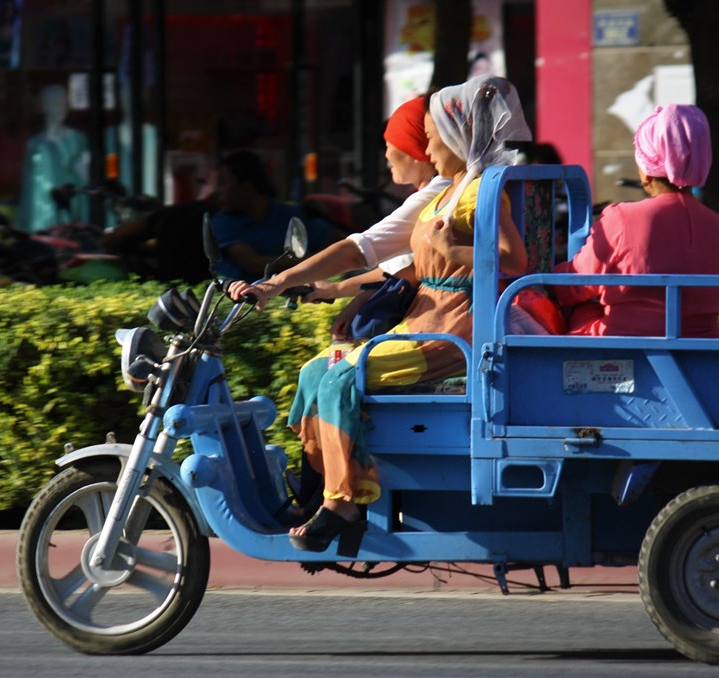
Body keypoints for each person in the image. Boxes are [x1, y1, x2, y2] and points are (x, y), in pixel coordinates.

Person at [231, 75, 532, 553]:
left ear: (458, 136)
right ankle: (317, 494)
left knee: (340, 380)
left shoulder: (482, 191)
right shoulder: (447, 193)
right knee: (318, 371)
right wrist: (336, 289)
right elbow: (413, 266)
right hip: (428, 319)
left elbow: (513, 262)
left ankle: (343, 502)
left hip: (453, 330)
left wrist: (451, 246)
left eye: (433, 137)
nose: (428, 148)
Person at [553, 104, 719, 337]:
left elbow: (573, 285)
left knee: (581, 310)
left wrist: (540, 279)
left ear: (646, 168)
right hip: (704, 345)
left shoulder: (620, 218)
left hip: (624, 348)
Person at [298, 93, 448, 340]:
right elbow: (395, 269)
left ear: (415, 149)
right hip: (429, 321)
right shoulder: (438, 190)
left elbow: (358, 252)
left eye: (390, 145)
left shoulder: (437, 194)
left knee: (330, 377)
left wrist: (277, 283)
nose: (386, 156)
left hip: (436, 328)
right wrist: (342, 291)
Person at [210, 150, 334, 281]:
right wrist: (307, 260)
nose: (216, 192)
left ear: (247, 188)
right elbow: (253, 264)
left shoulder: (288, 214)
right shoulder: (222, 223)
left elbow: (331, 237)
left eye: (222, 183)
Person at [16, 84, 89, 231]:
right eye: (55, 102)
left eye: (64, 102)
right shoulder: (34, 144)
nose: (61, 107)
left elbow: (85, 180)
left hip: (67, 215)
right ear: (44, 107)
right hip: (38, 219)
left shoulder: (78, 139)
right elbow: (28, 187)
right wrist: (22, 221)